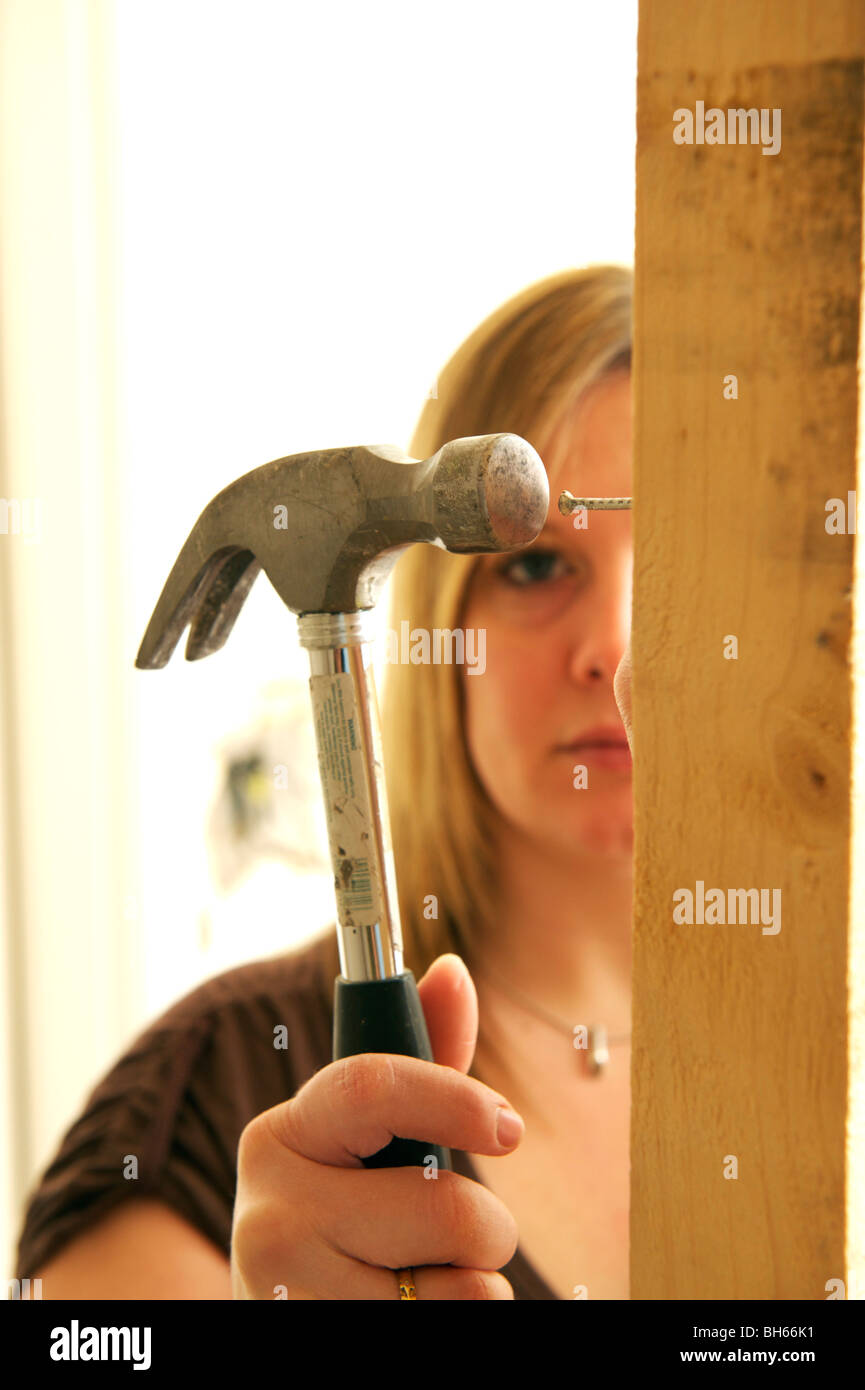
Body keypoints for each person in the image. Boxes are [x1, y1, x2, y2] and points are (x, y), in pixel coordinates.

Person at [14, 264, 635, 1300]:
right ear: (443, 621)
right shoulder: (200, 1105)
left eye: (670, 569)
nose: (611, 650)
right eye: (536, 566)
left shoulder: (811, 1064)